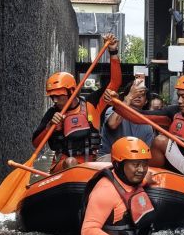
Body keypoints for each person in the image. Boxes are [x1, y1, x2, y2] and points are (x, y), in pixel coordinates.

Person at [104, 73, 184, 184]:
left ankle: (149, 174)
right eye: (178, 96)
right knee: (159, 141)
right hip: (179, 166)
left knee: (161, 141)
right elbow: (139, 117)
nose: (179, 101)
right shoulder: (174, 113)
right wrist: (118, 103)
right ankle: (150, 175)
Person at [33, 33, 122, 173]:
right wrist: (50, 126)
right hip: (64, 165)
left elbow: (115, 83)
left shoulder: (92, 104)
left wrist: (113, 51)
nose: (55, 100)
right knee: (71, 162)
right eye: (52, 97)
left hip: (91, 163)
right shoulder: (52, 113)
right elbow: (36, 143)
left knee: (117, 157)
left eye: (59, 96)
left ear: (72, 91)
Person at [80, 137, 153, 235]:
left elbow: (130, 189)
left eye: (144, 165)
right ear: (118, 165)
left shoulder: (131, 180)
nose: (141, 170)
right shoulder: (105, 191)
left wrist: (146, 181)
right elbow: (88, 231)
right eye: (136, 164)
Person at [97, 79, 155, 162]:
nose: (138, 96)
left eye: (142, 94)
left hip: (135, 161)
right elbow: (113, 124)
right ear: (126, 96)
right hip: (109, 158)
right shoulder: (113, 110)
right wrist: (130, 96)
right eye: (135, 93)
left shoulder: (148, 125)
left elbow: (145, 152)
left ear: (146, 101)